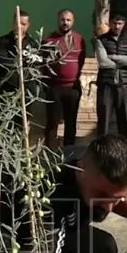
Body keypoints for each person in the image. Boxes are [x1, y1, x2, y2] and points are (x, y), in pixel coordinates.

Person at [41, 9, 87, 150]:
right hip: (55, 89)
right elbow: (43, 65)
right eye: (62, 20)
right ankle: (50, 154)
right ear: (58, 20)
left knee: (71, 123)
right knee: (52, 123)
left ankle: (69, 154)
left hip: (73, 88)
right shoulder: (49, 40)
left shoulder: (80, 39)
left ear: (73, 21)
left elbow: (81, 60)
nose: (65, 22)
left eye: (68, 20)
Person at [0, 9, 43, 139]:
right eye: (17, 23)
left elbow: (36, 63)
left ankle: (20, 157)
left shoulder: (33, 43)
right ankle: (3, 158)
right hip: (8, 91)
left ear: (28, 25)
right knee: (5, 126)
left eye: (23, 23)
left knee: (23, 127)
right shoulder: (4, 41)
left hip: (27, 91)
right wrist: (20, 59)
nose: (19, 26)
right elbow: (2, 60)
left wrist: (25, 57)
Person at [95, 15, 127, 138]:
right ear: (110, 23)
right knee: (103, 121)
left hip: (125, 85)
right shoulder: (101, 40)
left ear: (124, 24)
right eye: (115, 23)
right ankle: (101, 151)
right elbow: (103, 62)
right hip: (106, 85)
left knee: (124, 120)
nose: (117, 26)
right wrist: (124, 62)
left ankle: (125, 151)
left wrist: (113, 57)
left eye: (120, 23)